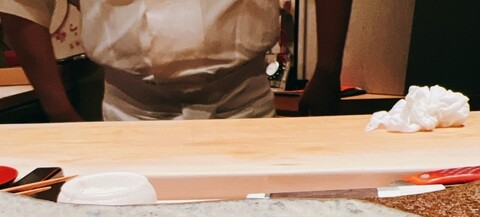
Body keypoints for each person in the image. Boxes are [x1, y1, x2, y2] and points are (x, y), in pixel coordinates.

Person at [0, 0, 352, 122]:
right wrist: (59, 110)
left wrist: (327, 70)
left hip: (245, 106)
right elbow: (22, 5)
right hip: (128, 114)